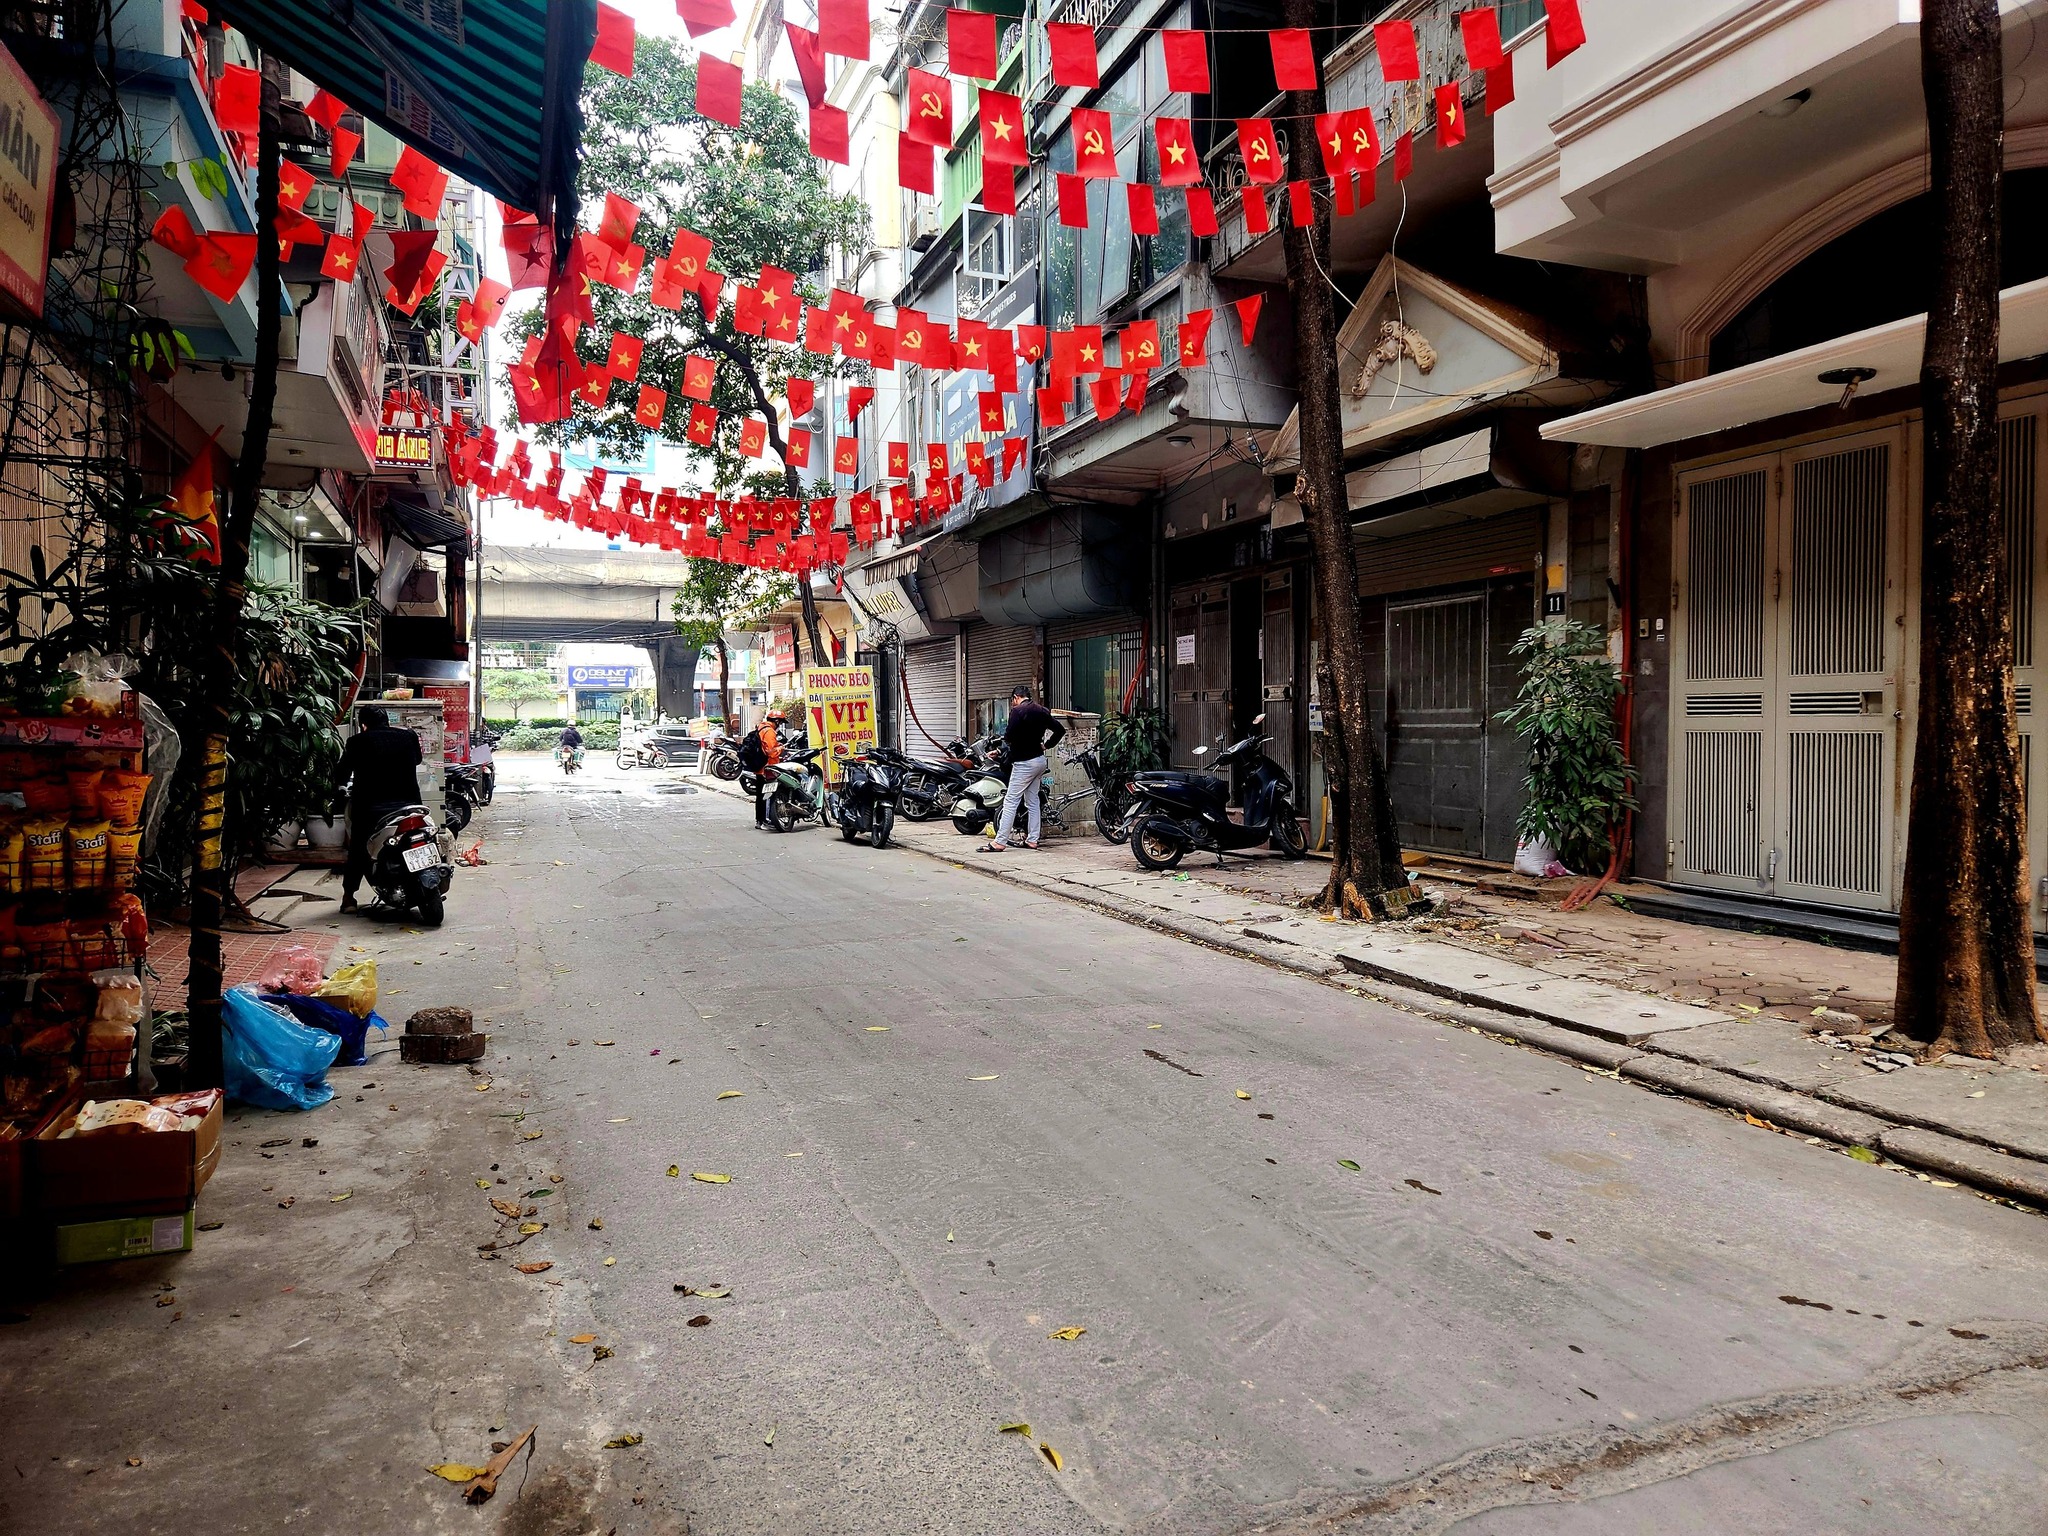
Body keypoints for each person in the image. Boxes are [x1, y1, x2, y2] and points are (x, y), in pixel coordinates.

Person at [337, 706, 424, 913]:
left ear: (363, 724)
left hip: (371, 809)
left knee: (358, 849)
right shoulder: (408, 736)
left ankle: (349, 897)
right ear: (387, 720)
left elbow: (342, 772)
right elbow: (418, 760)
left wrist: (339, 786)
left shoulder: (357, 742)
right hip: (409, 806)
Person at [981, 686, 1064, 852]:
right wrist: (1046, 745)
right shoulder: (1042, 710)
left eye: (1013, 700)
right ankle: (1032, 840)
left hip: (1024, 763)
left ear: (1016, 697)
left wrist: (1004, 748)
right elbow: (1060, 730)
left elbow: (1009, 736)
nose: (1013, 703)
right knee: (1032, 801)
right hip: (1039, 761)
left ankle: (999, 842)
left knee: (1011, 800)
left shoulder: (1017, 711)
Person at [747, 710, 785, 827]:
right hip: (768, 769)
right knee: (768, 796)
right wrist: (781, 748)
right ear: (776, 721)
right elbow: (771, 752)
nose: (780, 725)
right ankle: (766, 820)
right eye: (780, 722)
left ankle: (760, 821)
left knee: (761, 796)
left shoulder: (761, 728)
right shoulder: (769, 731)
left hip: (760, 768)